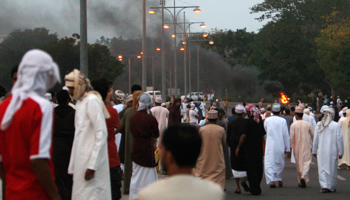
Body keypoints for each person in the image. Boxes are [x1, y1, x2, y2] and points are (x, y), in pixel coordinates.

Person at [0, 49, 61, 200]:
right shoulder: (41, 106)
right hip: (36, 192)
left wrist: (12, 185)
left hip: (12, 193)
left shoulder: (4, 107)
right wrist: (54, 196)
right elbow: (38, 158)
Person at [134, 126, 224, 200]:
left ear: (169, 156)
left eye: (161, 149)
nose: (159, 153)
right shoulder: (215, 193)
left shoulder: (147, 195)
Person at [65, 69, 111, 200]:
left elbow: (101, 133)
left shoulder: (92, 100)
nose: (69, 91)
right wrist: (73, 166)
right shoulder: (80, 102)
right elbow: (79, 137)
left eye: (71, 88)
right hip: (81, 162)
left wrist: (92, 165)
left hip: (91, 165)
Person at [91, 79, 122, 200]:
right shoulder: (112, 112)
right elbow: (118, 126)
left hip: (93, 161)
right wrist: (108, 101)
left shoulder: (89, 112)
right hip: (111, 159)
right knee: (113, 194)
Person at [129, 92, 159, 200]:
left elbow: (132, 131)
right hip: (147, 149)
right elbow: (156, 133)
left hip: (136, 147)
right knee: (149, 175)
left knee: (136, 174)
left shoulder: (132, 117)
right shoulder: (150, 118)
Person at [117, 89, 143, 195]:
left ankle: (127, 187)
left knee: (128, 167)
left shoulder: (127, 112)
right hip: (142, 144)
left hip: (129, 143)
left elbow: (120, 127)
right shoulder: (146, 112)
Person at [312, 107, 344, 193]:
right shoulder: (336, 125)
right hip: (332, 151)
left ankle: (324, 186)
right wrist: (341, 151)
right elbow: (339, 139)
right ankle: (330, 186)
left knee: (322, 168)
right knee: (332, 169)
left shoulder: (319, 125)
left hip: (321, 151)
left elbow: (315, 140)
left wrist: (314, 151)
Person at [52, 90, 75, 200]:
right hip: (71, 149)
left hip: (55, 149)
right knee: (69, 178)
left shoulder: (51, 113)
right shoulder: (74, 113)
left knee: (58, 178)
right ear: (68, 100)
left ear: (56, 99)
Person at [196, 110, 226, 189]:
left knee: (202, 174)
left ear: (208, 119)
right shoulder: (221, 130)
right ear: (216, 119)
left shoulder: (202, 130)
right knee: (218, 176)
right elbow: (224, 142)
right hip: (217, 157)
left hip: (204, 157)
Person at [264, 103, 290, 188]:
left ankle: (272, 180)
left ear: (272, 111)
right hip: (280, 144)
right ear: (280, 111)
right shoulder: (282, 121)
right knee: (279, 162)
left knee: (270, 162)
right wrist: (287, 148)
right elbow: (286, 135)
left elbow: (265, 131)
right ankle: (278, 179)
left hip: (270, 145)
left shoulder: (267, 120)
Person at [227, 104, 249, 194]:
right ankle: (244, 179)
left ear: (235, 113)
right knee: (245, 165)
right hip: (244, 147)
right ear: (243, 113)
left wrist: (232, 146)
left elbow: (228, 136)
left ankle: (238, 187)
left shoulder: (231, 123)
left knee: (235, 167)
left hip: (233, 146)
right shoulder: (246, 123)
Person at [290, 107, 314, 188]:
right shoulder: (308, 124)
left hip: (296, 146)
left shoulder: (293, 125)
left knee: (299, 163)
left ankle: (301, 179)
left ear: (296, 116)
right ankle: (303, 176)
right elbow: (313, 135)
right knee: (306, 161)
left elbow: (291, 137)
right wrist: (314, 145)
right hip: (306, 145)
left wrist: (291, 146)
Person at [244, 104, 266, 195]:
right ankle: (256, 185)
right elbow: (262, 134)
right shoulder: (260, 121)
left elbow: (245, 135)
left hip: (250, 148)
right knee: (258, 167)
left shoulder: (248, 122)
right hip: (258, 148)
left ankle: (254, 187)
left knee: (251, 168)